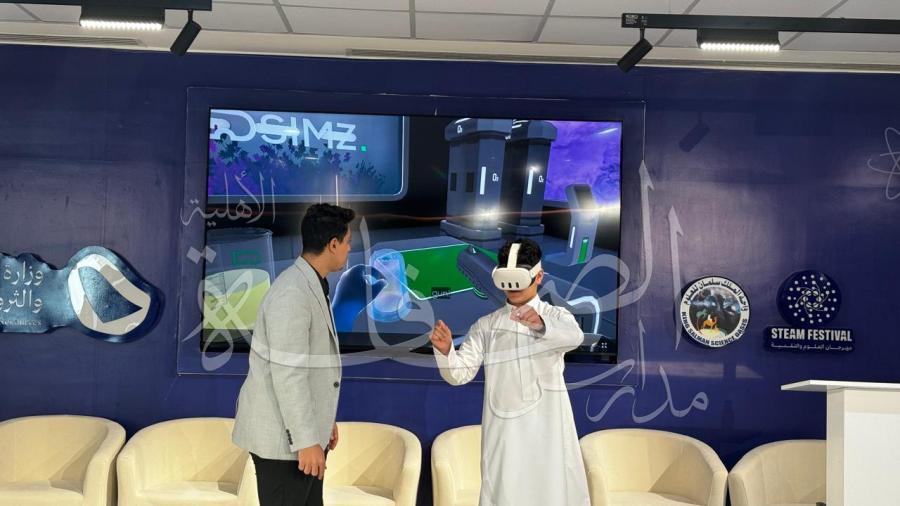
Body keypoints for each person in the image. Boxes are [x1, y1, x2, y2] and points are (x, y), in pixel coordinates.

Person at [430, 238, 590, 506]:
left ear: (538, 276)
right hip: (505, 432)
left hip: (549, 428)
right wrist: (446, 352)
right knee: (505, 491)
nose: (513, 288)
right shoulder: (486, 326)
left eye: (519, 280)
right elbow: (459, 374)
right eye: (507, 280)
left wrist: (541, 324)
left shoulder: (556, 316)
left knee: (553, 491)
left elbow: (575, 337)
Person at [232, 203, 354, 506]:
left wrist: (323, 421)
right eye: (348, 241)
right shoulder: (292, 292)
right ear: (333, 244)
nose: (350, 249)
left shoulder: (311, 283)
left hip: (299, 436)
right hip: (283, 444)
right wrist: (305, 439)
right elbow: (289, 374)